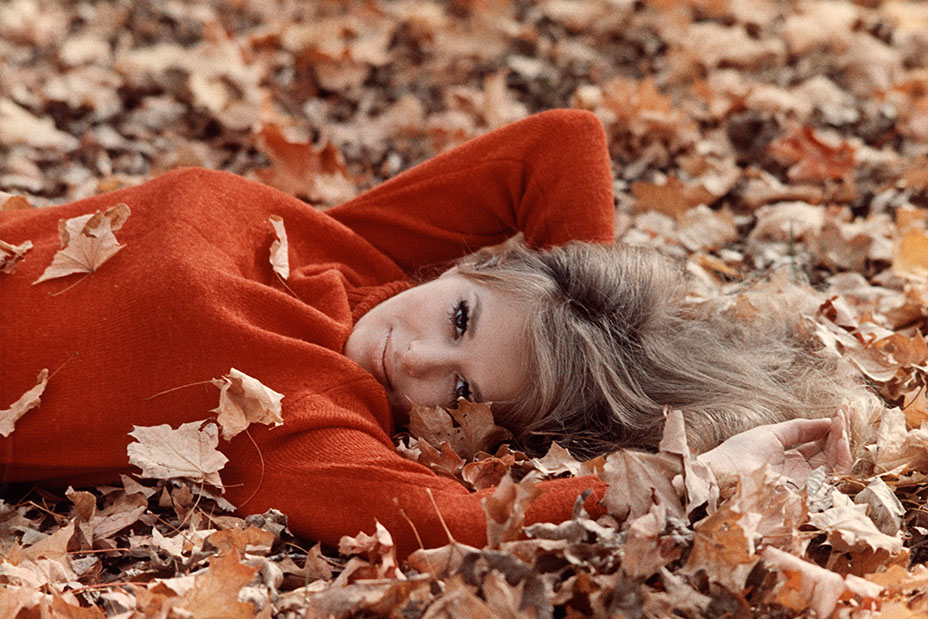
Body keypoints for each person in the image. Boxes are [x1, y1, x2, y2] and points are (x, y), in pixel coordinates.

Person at [0, 110, 867, 558]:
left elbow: (456, 517)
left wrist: (694, 472)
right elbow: (563, 144)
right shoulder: (355, 250)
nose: (413, 356)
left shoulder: (305, 418)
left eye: (458, 390)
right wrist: (580, 311)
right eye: (461, 319)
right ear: (473, 270)